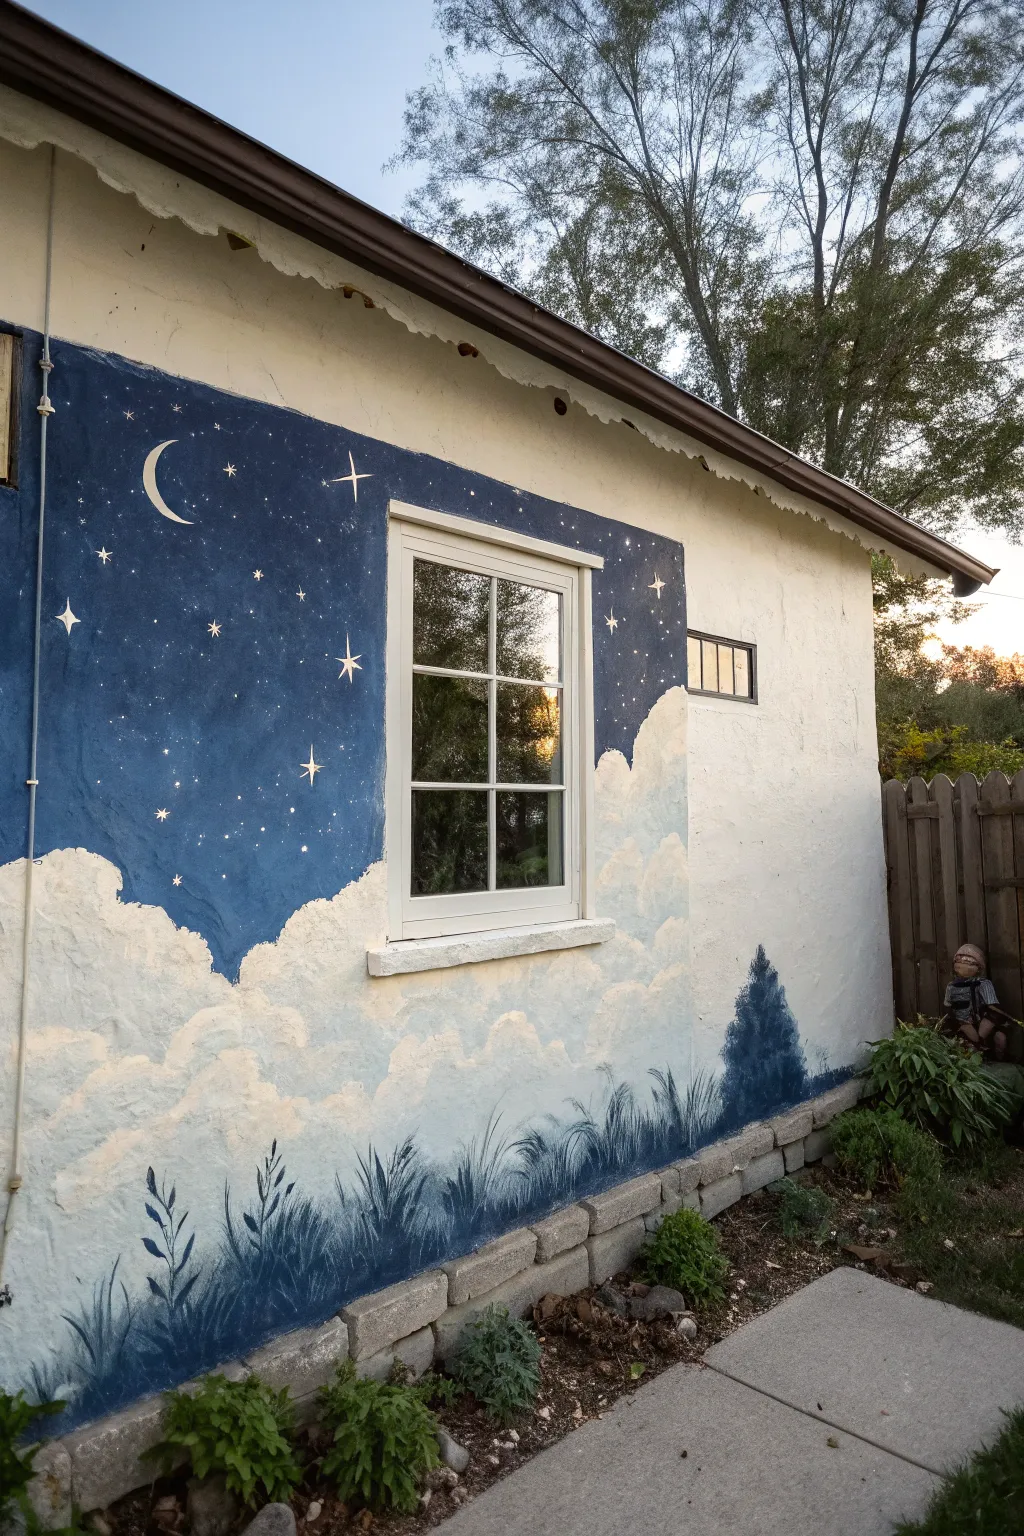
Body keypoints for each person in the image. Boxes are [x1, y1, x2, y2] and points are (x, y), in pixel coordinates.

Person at [942, 943, 1010, 1060]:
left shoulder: (983, 984)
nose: (961, 963)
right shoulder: (951, 987)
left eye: (967, 960)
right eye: (959, 959)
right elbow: (948, 1009)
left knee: (1000, 1038)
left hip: (982, 1025)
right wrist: (962, 1025)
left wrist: (980, 1033)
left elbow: (994, 1009)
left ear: (979, 967)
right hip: (963, 1026)